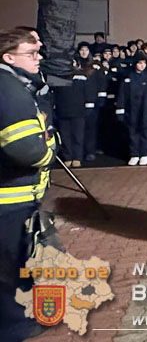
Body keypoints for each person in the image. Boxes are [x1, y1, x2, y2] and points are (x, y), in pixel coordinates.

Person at [0, 28, 58, 341]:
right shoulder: (9, 89)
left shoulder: (13, 84)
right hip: (9, 199)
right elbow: (27, 149)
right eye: (31, 53)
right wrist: (50, 149)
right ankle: (13, 327)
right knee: (10, 265)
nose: (39, 59)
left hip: (13, 195)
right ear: (8, 57)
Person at [115, 51, 147, 166]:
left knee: (146, 133)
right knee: (133, 133)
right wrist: (120, 110)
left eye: (144, 63)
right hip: (132, 110)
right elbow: (122, 95)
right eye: (139, 63)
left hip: (146, 110)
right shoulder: (128, 77)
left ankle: (145, 154)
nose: (142, 65)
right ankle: (134, 154)